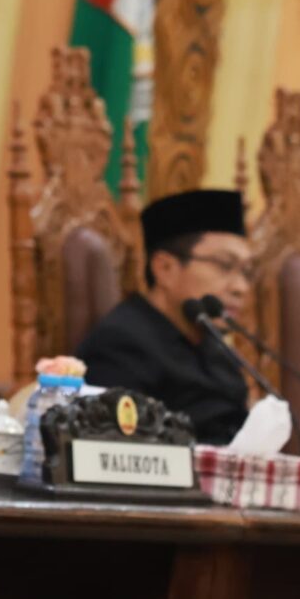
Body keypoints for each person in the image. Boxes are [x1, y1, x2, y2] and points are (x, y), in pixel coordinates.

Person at [72, 188, 254, 446]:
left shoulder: (216, 349)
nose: (241, 287)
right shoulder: (121, 344)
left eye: (247, 271)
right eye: (225, 265)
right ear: (165, 268)